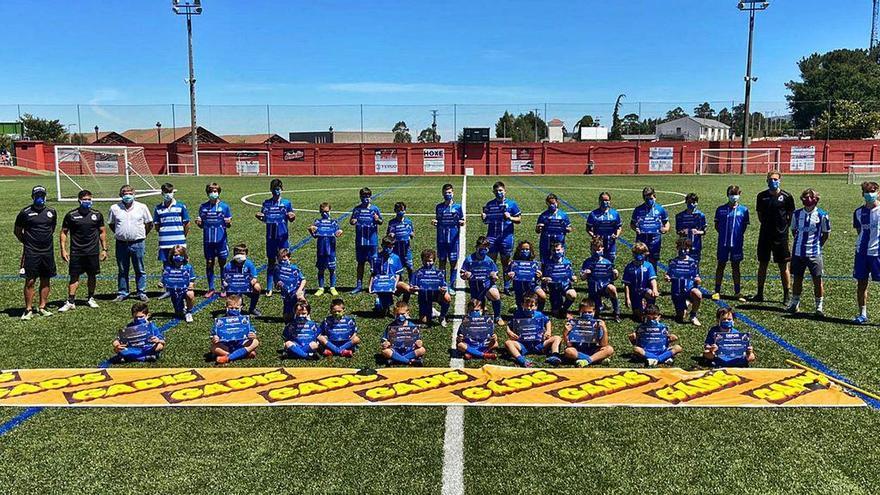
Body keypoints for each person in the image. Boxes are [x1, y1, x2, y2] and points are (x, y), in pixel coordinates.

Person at [58, 189, 107, 313]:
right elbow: (64, 232)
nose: (87, 201)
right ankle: (71, 300)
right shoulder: (71, 215)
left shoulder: (97, 214)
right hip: (76, 251)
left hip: (92, 251)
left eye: (89, 199)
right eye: (85, 199)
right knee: (74, 276)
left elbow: (102, 232)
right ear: (79, 200)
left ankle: (90, 298)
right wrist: (63, 250)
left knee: (92, 275)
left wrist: (104, 249)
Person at [15, 185, 57, 320]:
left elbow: (52, 229)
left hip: (47, 251)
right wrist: (27, 242)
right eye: (37, 196)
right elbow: (17, 231)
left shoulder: (51, 212)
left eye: (42, 195)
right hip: (31, 252)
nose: (40, 198)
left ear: (45, 196)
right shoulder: (25, 213)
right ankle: (28, 309)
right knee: (30, 281)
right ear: (33, 197)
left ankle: (42, 307)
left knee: (46, 279)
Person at [787, 189, 831, 315]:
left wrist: (817, 245)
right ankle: (795, 304)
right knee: (797, 279)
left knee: (817, 280)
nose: (807, 199)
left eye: (810, 197)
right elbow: (794, 231)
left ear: (816, 199)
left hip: (814, 253)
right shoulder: (796, 214)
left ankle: (819, 306)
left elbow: (825, 234)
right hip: (798, 253)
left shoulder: (822, 215)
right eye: (805, 197)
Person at [753, 171, 795, 304]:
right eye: (770, 179)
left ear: (780, 180)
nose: (773, 181)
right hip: (765, 236)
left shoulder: (787, 197)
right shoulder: (761, 196)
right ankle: (760, 293)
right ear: (767, 181)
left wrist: (782, 229)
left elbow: (790, 216)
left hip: (781, 237)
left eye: (775, 179)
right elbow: (760, 216)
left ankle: (786, 295)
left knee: (784, 267)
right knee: (762, 264)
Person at [108, 184, 153, 302]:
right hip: (121, 243)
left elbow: (149, 223)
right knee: (123, 269)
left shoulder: (142, 207)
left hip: (138, 243)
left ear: (134, 194)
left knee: (140, 269)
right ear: (120, 195)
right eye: (124, 193)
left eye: (130, 193)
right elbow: (112, 224)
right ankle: (123, 292)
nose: (127, 195)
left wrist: (141, 234)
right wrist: (121, 234)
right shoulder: (114, 208)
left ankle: (141, 292)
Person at [256, 178, 295, 296]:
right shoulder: (266, 203)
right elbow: (265, 218)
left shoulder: (287, 203)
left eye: (278, 189)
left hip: (283, 237)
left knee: (284, 261)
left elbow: (291, 218)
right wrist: (260, 216)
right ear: (270, 190)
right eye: (274, 189)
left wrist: (292, 216)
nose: (276, 191)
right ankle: (269, 287)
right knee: (271, 262)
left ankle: (286, 284)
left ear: (282, 189)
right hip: (271, 237)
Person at [481, 181, 522, 292]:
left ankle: (507, 285)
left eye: (501, 190)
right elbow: (486, 222)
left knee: (506, 261)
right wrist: (484, 218)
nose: (499, 193)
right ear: (493, 192)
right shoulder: (489, 204)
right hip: (492, 237)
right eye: (496, 191)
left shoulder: (512, 204)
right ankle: (491, 284)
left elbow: (519, 220)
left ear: (505, 191)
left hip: (506, 237)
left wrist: (510, 218)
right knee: (491, 261)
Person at [712, 185, 750, 302]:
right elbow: (717, 226)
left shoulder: (744, 210)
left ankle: (737, 292)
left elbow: (743, 226)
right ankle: (717, 291)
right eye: (731, 194)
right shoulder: (720, 209)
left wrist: (737, 236)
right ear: (727, 195)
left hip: (737, 244)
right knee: (721, 265)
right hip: (723, 243)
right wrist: (724, 234)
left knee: (736, 267)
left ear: (740, 194)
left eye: (736, 194)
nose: (734, 196)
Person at [153, 182, 190, 300]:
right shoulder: (158, 208)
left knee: (181, 264)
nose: (168, 194)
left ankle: (183, 288)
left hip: (179, 241)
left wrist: (182, 236)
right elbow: (157, 226)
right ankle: (168, 290)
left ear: (173, 192)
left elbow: (186, 223)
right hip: (164, 242)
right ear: (162, 193)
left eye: (170, 192)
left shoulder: (181, 206)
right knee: (166, 266)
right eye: (165, 192)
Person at [195, 182, 232, 298]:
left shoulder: (225, 207)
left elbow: (229, 224)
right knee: (209, 263)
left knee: (222, 264)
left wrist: (229, 223)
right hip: (208, 241)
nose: (213, 193)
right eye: (211, 191)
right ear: (207, 193)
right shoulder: (203, 207)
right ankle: (211, 288)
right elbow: (202, 225)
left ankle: (223, 287)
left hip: (221, 240)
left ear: (219, 192)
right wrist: (199, 223)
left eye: (215, 191)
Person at [505, 294, 562, 367]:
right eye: (526, 305)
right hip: (523, 344)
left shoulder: (539, 314)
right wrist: (509, 332)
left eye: (531, 306)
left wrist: (548, 331)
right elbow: (509, 325)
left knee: (557, 338)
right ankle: (521, 360)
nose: (529, 308)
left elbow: (548, 321)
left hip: (539, 343)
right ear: (522, 304)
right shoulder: (518, 314)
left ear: (536, 306)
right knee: (508, 343)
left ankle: (555, 356)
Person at [852, 181, 880, 324]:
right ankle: (862, 314)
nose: (870, 194)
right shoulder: (858, 212)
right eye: (868, 191)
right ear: (863, 194)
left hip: (878, 254)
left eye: (873, 191)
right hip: (862, 254)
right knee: (861, 284)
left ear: (878, 192)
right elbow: (859, 231)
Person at [461, 236, 504, 324]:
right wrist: (465, 275)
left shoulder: (489, 261)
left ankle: (497, 316)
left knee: (496, 295)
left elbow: (495, 274)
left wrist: (494, 276)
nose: (483, 250)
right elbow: (462, 274)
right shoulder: (469, 260)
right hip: (474, 286)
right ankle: (481, 309)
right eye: (481, 248)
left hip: (487, 285)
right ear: (477, 247)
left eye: (486, 248)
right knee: (475, 311)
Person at [433, 183, 465, 294]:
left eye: (450, 192)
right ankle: (443, 284)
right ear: (442, 193)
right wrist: (435, 222)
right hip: (441, 240)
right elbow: (437, 219)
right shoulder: (439, 207)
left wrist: (462, 222)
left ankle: (451, 285)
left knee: (453, 262)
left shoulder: (458, 207)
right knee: (442, 262)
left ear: (453, 193)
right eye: (446, 193)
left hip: (453, 240)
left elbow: (462, 220)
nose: (448, 194)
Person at [350, 187, 383, 294]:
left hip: (372, 241)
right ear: (360, 197)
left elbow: (381, 221)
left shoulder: (375, 209)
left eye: (368, 196)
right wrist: (353, 221)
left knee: (374, 263)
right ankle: (359, 285)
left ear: (371, 197)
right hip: (360, 241)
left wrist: (377, 219)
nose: (366, 198)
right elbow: (352, 220)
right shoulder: (357, 209)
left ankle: (373, 285)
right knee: (360, 263)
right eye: (364, 196)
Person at [563, 299, 614, 367]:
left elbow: (604, 344)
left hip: (593, 350)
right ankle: (596, 359)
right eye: (584, 312)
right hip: (577, 350)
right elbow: (569, 345)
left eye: (589, 312)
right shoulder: (573, 323)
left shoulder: (597, 323)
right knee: (568, 351)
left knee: (609, 349)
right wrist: (565, 333)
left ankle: (587, 360)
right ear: (580, 311)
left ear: (594, 312)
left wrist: (604, 329)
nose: (587, 314)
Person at [211, 294, 259, 364]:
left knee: (255, 342)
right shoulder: (220, 321)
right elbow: (214, 335)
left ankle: (228, 357)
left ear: (241, 307)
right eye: (231, 308)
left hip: (241, 344)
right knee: (213, 348)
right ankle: (243, 354)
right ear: (226, 307)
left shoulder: (244, 320)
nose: (233, 310)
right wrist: (215, 338)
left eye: (236, 308)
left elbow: (251, 331)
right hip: (226, 345)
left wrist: (253, 335)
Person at [580, 237, 620, 322]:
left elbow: (613, 278)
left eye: (598, 250)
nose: (596, 252)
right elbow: (582, 278)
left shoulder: (607, 262)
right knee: (596, 313)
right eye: (594, 250)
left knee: (612, 288)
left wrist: (616, 274)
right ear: (591, 249)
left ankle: (616, 312)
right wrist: (585, 273)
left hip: (605, 287)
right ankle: (601, 305)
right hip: (593, 289)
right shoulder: (587, 262)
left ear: (602, 248)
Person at [308, 202, 343, 296]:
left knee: (332, 269)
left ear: (330, 211)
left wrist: (339, 232)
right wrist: (311, 231)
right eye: (323, 211)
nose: (325, 213)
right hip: (321, 250)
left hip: (331, 250)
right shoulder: (317, 222)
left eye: (327, 211)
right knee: (321, 269)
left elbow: (337, 233)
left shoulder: (333, 222)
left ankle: (332, 287)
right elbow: (315, 235)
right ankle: (321, 288)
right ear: (320, 211)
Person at [666, 237, 702, 326]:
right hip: (677, 291)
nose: (683, 251)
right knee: (680, 316)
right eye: (681, 248)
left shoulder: (693, 262)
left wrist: (697, 280)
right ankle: (685, 303)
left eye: (685, 248)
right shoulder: (674, 262)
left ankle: (693, 315)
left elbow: (697, 277)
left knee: (698, 294)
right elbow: (669, 275)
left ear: (689, 249)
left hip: (689, 289)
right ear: (677, 248)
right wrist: (667, 277)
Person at [409, 249, 451, 326]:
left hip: (436, 295)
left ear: (434, 261)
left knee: (447, 298)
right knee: (424, 321)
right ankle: (432, 311)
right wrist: (414, 289)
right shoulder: (418, 273)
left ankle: (442, 316)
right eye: (425, 261)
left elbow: (444, 286)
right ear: (422, 260)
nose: (428, 263)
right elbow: (411, 288)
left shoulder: (438, 273)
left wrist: (443, 290)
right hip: (424, 297)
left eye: (430, 261)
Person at [630, 187, 669, 267]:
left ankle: (652, 277)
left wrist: (665, 229)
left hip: (655, 240)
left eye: (651, 198)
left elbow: (666, 222)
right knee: (639, 260)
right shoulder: (638, 210)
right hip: (641, 239)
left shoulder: (660, 209)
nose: (649, 201)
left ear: (655, 196)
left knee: (653, 261)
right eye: (647, 199)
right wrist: (635, 228)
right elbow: (632, 223)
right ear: (644, 198)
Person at [370, 235, 408, 315]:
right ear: (382, 246)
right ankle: (380, 303)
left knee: (407, 289)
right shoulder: (376, 257)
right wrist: (371, 286)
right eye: (385, 247)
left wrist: (394, 285)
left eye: (390, 247)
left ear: (393, 246)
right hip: (381, 284)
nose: (388, 249)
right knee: (384, 313)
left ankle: (404, 307)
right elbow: (373, 274)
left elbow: (398, 274)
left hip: (394, 283)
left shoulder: (396, 258)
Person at [380, 301, 425, 366]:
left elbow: (418, 339)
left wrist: (419, 343)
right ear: (394, 313)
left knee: (422, 350)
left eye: (403, 314)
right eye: (398, 314)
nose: (400, 316)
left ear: (407, 313)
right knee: (385, 351)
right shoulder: (391, 326)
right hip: (395, 350)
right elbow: (384, 339)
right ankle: (409, 361)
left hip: (409, 350)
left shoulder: (412, 326)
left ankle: (395, 360)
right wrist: (385, 343)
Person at [222, 244, 262, 316]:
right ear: (234, 254)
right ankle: (232, 309)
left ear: (246, 254)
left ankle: (252, 308)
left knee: (257, 287)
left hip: (247, 286)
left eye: (242, 254)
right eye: (237, 253)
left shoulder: (249, 264)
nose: (239, 256)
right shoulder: (228, 266)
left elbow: (254, 277)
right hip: (234, 287)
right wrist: (225, 283)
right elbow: (224, 278)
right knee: (229, 291)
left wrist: (253, 281)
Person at [622, 242, 658, 322]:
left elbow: (652, 280)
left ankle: (649, 307)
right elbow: (626, 284)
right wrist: (627, 298)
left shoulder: (648, 265)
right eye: (637, 253)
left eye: (641, 253)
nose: (639, 255)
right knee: (639, 318)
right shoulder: (629, 267)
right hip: (634, 293)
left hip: (645, 289)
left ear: (645, 254)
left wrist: (655, 289)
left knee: (651, 294)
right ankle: (640, 309)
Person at [507, 240, 546, 312]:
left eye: (527, 249)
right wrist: (509, 276)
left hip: (532, 286)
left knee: (542, 296)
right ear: (519, 251)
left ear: (530, 251)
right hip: (519, 287)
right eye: (522, 249)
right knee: (521, 311)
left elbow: (539, 278)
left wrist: (540, 276)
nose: (525, 251)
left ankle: (538, 312)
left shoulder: (535, 263)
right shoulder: (514, 263)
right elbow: (507, 278)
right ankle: (518, 308)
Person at [160, 245, 196, 322]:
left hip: (185, 289)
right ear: (172, 256)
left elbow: (192, 279)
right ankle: (182, 307)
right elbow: (165, 278)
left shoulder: (188, 267)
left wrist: (191, 284)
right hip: (174, 290)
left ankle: (189, 312)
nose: (178, 257)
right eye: (175, 255)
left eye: (180, 255)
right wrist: (161, 283)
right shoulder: (168, 267)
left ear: (184, 256)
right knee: (178, 312)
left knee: (190, 294)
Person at [541, 241, 577, 317]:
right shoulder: (547, 262)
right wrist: (544, 279)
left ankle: (564, 308)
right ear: (551, 251)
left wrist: (573, 278)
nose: (556, 252)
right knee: (555, 313)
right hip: (554, 288)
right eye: (554, 250)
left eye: (558, 250)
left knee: (572, 295)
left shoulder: (567, 262)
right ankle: (557, 307)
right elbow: (542, 276)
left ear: (563, 250)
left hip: (566, 286)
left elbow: (571, 275)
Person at [586, 192, 623, 263]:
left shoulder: (615, 213)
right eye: (603, 200)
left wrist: (616, 235)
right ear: (599, 201)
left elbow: (619, 227)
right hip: (598, 243)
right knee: (596, 261)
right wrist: (593, 236)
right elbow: (588, 228)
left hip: (611, 242)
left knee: (610, 262)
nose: (605, 202)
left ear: (610, 201)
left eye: (607, 200)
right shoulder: (593, 214)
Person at [535, 193, 572, 265]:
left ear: (557, 202)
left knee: (559, 259)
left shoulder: (563, 215)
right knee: (544, 260)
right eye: (550, 203)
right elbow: (537, 231)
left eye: (553, 203)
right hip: (545, 241)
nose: (552, 205)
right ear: (547, 203)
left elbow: (570, 228)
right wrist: (538, 227)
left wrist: (566, 228)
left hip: (559, 241)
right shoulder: (543, 215)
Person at [274, 248, 306, 322]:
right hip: (286, 294)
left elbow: (303, 280)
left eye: (285, 257)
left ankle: (306, 316)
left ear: (289, 257)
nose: (283, 259)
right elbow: (276, 286)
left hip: (296, 290)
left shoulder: (293, 268)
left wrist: (299, 290)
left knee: (300, 298)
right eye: (281, 257)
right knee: (287, 318)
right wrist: (278, 285)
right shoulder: (276, 269)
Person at [675, 193, 707, 267]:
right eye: (689, 202)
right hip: (683, 246)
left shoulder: (700, 216)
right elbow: (678, 231)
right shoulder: (680, 216)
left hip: (696, 245)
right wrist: (683, 232)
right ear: (686, 202)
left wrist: (697, 232)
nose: (691, 204)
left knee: (695, 266)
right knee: (683, 265)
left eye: (693, 202)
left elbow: (704, 231)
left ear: (697, 203)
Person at [386, 201, 415, 278]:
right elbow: (388, 235)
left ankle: (411, 283)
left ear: (405, 211)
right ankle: (399, 283)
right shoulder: (391, 222)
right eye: (398, 210)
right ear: (395, 211)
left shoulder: (408, 222)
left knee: (410, 267)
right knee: (398, 268)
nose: (400, 212)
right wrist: (390, 235)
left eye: (402, 210)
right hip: (396, 249)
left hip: (406, 249)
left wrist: (412, 234)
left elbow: (412, 234)